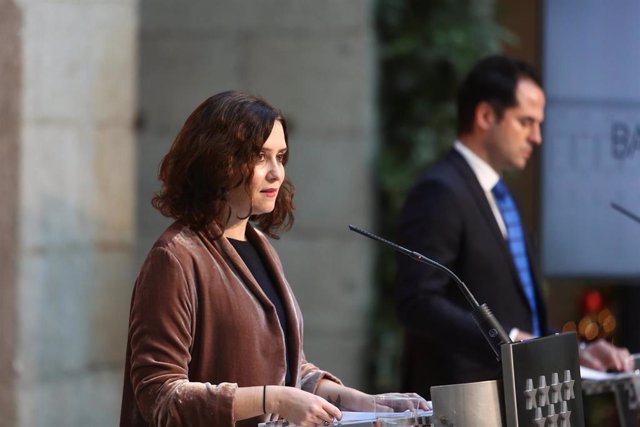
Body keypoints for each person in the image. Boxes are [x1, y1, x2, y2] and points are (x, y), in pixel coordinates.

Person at [120, 91, 427, 427]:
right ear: (217, 160)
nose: (276, 173)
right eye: (259, 157)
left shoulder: (260, 246)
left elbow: (286, 367)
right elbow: (160, 395)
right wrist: (272, 398)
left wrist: (359, 400)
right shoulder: (175, 257)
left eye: (281, 157)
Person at [395, 55, 633, 399]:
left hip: (521, 399)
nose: (537, 137)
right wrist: (507, 341)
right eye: (526, 122)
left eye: (539, 124)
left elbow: (521, 323)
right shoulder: (440, 190)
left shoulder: (504, 195)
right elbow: (417, 302)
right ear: (486, 116)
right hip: (470, 405)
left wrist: (576, 352)